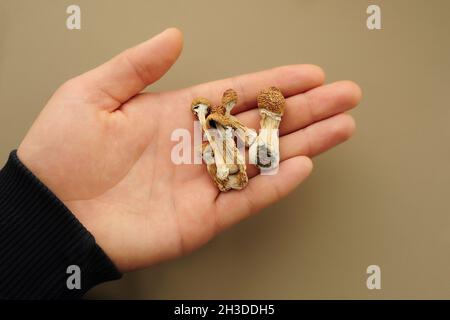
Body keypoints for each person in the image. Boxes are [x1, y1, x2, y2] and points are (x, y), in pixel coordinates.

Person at [0, 28, 361, 299]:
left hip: (228, 138)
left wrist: (34, 214)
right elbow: (226, 127)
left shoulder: (218, 124)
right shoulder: (213, 127)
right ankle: (234, 161)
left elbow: (230, 125)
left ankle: (240, 155)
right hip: (223, 142)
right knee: (216, 150)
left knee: (221, 148)